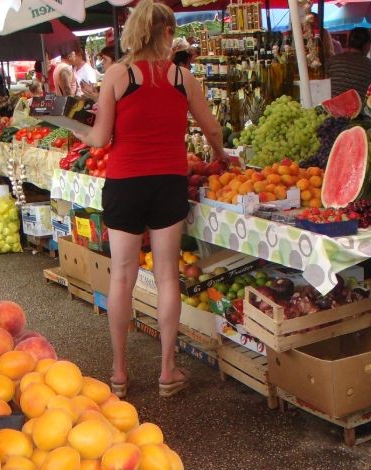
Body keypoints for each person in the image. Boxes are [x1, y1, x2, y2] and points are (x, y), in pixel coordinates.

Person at [73, 0, 225, 398]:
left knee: (121, 275)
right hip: (169, 182)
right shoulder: (183, 77)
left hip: (124, 181)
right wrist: (219, 155)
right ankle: (167, 371)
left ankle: (120, 373)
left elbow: (101, 138)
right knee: (166, 276)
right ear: (166, 33)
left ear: (132, 31)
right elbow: (212, 129)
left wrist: (80, 135)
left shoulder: (117, 74)